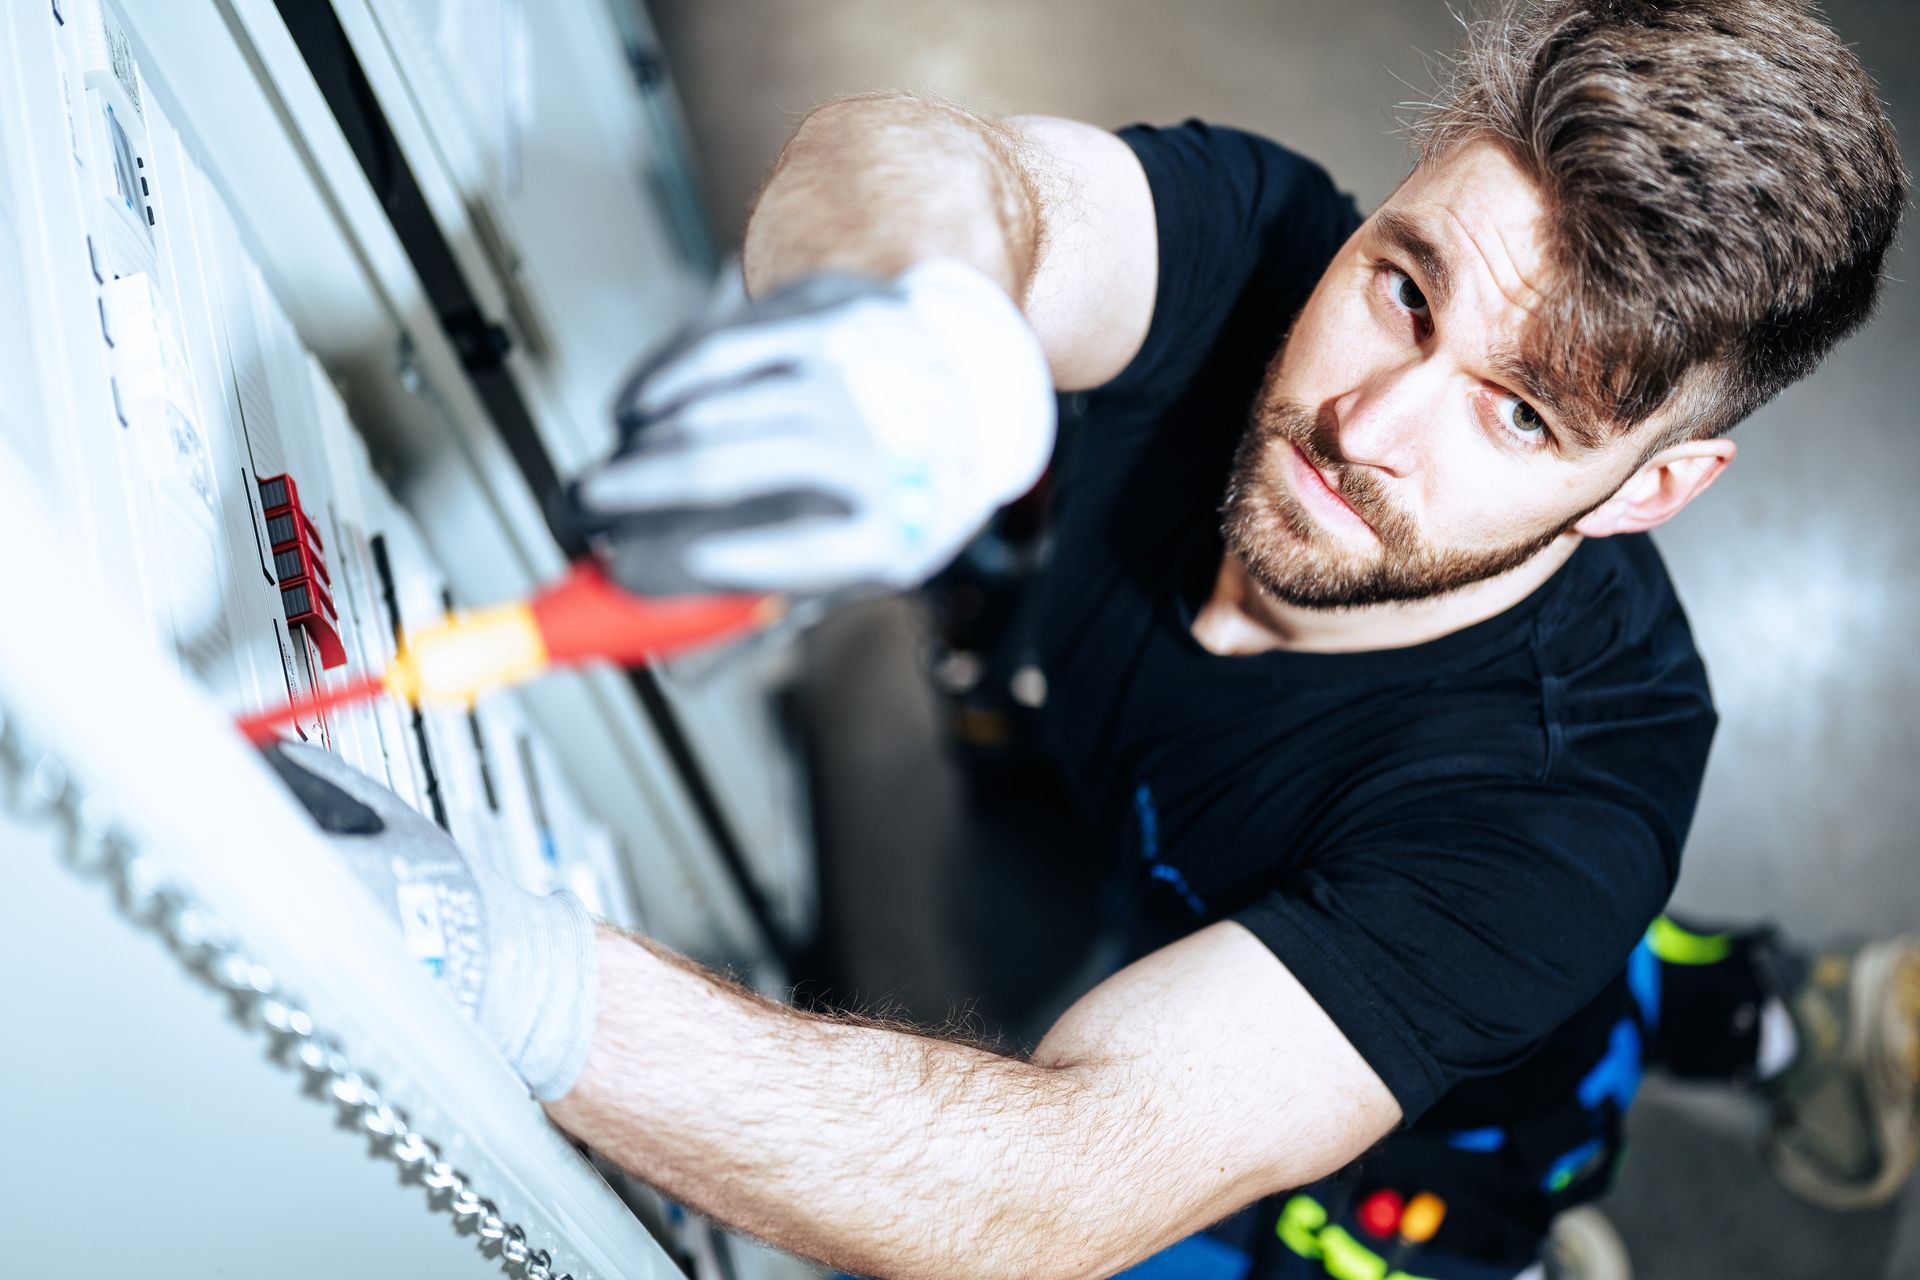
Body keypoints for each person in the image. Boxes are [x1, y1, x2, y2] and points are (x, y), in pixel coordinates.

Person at [267, 2, 1918, 1277]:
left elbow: (1059, 1186)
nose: (1365, 423)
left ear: (1655, 491)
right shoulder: (1262, 239)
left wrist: (504, 970)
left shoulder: (1557, 817)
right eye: (1408, 290)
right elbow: (946, 168)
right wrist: (901, 307)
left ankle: (1768, 1029)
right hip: (1217, 841)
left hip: (1417, 1145)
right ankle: (1751, 999)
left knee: (1503, 1066)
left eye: (1521, 413)